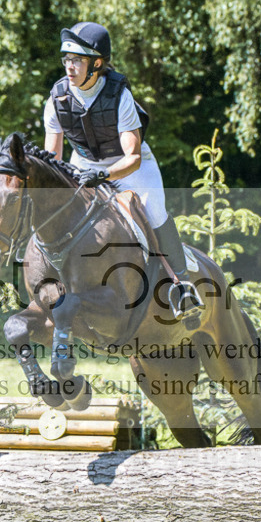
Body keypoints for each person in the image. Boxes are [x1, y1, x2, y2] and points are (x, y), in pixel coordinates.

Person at [43, 21, 204, 323]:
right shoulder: (57, 99)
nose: (69, 66)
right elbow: (53, 157)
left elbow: (131, 157)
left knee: (154, 211)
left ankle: (183, 286)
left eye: (77, 60)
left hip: (130, 164)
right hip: (85, 162)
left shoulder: (119, 96)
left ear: (97, 63)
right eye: (67, 59)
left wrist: (103, 177)